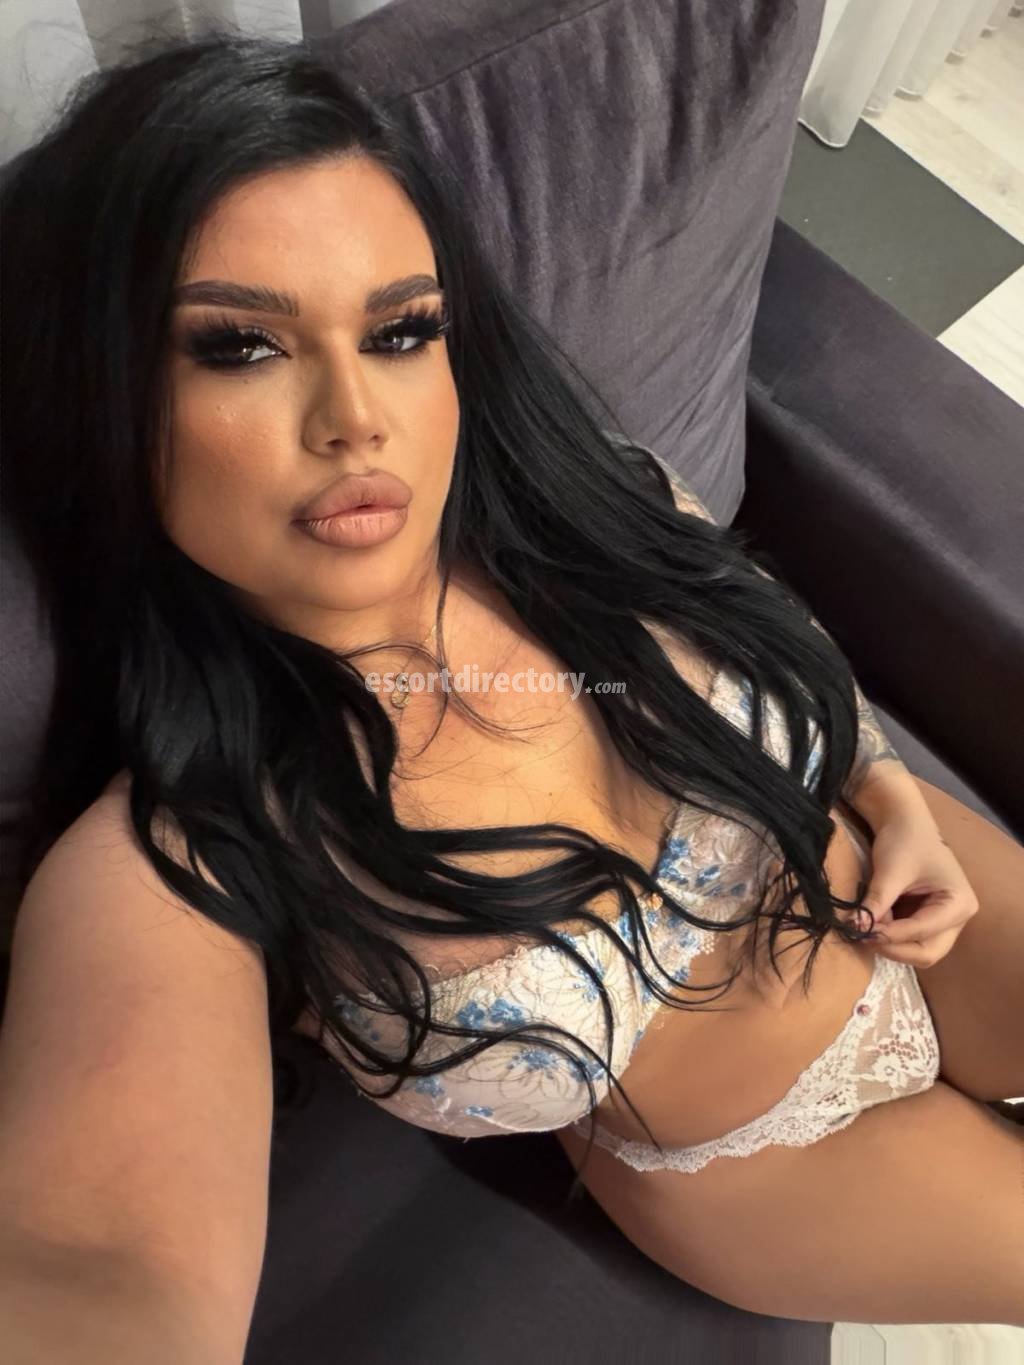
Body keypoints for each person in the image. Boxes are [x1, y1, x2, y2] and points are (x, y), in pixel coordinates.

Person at [1, 31, 1022, 1362]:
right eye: (242, 346)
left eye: (399, 331)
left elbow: (758, 609)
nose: (356, 417)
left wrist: (885, 786)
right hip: (773, 1160)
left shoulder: (578, 495)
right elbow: (98, 1265)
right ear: (107, 389)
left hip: (908, 887)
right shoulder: (177, 862)